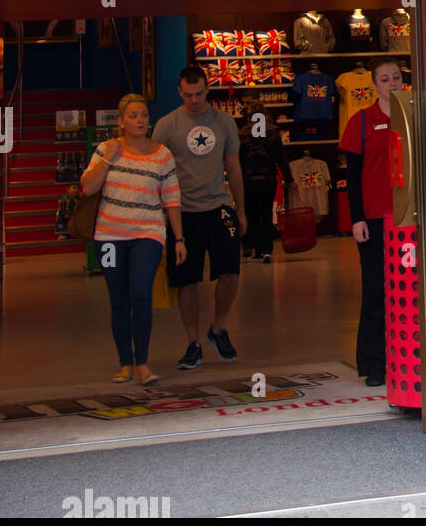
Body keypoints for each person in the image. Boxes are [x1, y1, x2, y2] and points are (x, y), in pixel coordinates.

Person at [79, 93, 183, 385]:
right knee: (119, 300)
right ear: (122, 120)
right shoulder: (106, 149)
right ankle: (125, 362)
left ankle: (143, 363)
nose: (140, 121)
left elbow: (172, 199)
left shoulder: (162, 154)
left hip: (147, 234)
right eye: (134, 116)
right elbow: (87, 187)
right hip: (109, 238)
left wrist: (179, 238)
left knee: (141, 294)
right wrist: (109, 158)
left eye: (144, 115)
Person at [152, 65, 245, 370]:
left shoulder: (224, 122)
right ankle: (193, 342)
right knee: (186, 280)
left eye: (199, 94)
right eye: (187, 94)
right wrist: (160, 218)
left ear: (208, 91)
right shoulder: (166, 126)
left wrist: (240, 210)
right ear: (179, 92)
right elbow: (158, 176)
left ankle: (217, 329)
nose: (193, 100)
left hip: (218, 206)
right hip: (183, 213)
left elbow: (233, 168)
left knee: (231, 273)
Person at [339, 58, 406, 388]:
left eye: (396, 77)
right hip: (375, 220)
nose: (392, 83)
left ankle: (408, 357)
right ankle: (374, 361)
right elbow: (352, 177)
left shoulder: (412, 118)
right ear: (374, 85)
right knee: (377, 290)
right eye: (385, 79)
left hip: (409, 216)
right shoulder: (361, 121)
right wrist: (357, 218)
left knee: (407, 290)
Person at [239, 94, 290, 263]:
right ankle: (267, 250)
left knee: (251, 215)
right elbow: (281, 159)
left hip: (248, 180)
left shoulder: (244, 134)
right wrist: (290, 179)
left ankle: (256, 250)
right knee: (266, 214)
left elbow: (239, 160)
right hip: (268, 179)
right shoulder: (273, 132)